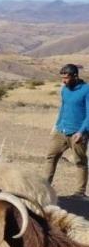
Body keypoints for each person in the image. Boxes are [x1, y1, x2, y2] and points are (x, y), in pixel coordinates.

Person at [45, 63, 89, 198]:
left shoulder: (86, 90)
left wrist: (81, 131)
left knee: (80, 162)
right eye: (62, 78)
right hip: (61, 131)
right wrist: (56, 125)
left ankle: (80, 193)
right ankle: (46, 187)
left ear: (75, 76)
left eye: (66, 78)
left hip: (78, 133)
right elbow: (63, 108)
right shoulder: (64, 90)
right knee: (51, 157)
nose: (64, 81)